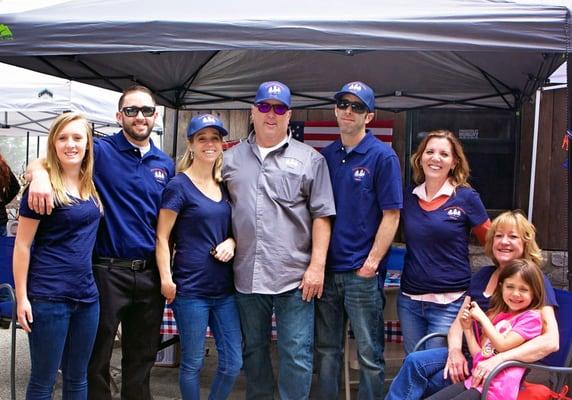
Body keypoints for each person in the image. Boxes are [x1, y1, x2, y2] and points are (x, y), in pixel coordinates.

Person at [26, 85, 175, 400]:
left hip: (149, 275)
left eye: (146, 110)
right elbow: (57, 152)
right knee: (96, 362)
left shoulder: (166, 164)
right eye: (131, 110)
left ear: (156, 115)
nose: (139, 117)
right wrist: (38, 174)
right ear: (119, 116)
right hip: (106, 271)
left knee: (142, 358)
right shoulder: (101, 150)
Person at [222, 81, 336, 399]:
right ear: (252, 111)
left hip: (295, 277)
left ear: (289, 115)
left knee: (297, 356)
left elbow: (323, 216)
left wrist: (317, 266)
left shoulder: (311, 159)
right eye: (264, 107)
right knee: (253, 352)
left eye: (279, 108)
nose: (271, 114)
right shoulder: (229, 160)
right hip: (246, 275)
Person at [385, 210, 559, 400]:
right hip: (471, 353)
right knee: (413, 362)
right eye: (498, 236)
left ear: (525, 243)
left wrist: (498, 360)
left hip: (493, 367)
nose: (504, 241)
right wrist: (455, 351)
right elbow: (458, 324)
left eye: (513, 236)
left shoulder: (535, 281)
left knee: (429, 381)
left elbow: (551, 341)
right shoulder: (483, 275)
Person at [315, 81, 402, 399]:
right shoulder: (326, 155)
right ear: (335, 109)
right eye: (343, 104)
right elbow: (319, 215)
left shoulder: (383, 157)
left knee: (369, 355)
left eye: (357, 107)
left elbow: (392, 215)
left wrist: (371, 264)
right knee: (326, 353)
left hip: (361, 276)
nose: (348, 111)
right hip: (327, 273)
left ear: (369, 116)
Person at [13, 112, 103, 399]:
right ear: (53, 144)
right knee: (43, 380)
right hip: (48, 297)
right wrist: (22, 297)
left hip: (87, 298)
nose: (70, 144)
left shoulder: (90, 185)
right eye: (62, 138)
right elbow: (22, 245)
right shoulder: (41, 190)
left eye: (77, 138)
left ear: (88, 143)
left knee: (78, 379)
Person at [156, 114, 241, 400]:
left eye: (214, 138)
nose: (209, 144)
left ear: (221, 144)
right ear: (191, 145)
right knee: (193, 363)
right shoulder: (178, 186)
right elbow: (162, 237)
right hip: (191, 290)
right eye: (202, 138)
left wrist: (231, 241)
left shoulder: (225, 185)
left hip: (224, 290)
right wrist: (166, 278)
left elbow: (235, 229)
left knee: (232, 364)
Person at [398, 130, 490, 354]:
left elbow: (492, 241)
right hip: (410, 302)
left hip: (450, 304)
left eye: (444, 154)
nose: (435, 158)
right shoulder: (408, 196)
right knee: (415, 366)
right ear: (419, 158)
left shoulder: (466, 197)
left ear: (454, 162)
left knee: (436, 370)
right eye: (429, 152)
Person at [426, 258, 545, 400]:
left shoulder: (531, 318)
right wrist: (468, 329)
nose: (515, 294)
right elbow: (480, 356)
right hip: (477, 382)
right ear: (501, 287)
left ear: (534, 292)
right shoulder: (502, 317)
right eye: (510, 287)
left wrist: (483, 318)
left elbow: (503, 345)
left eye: (523, 289)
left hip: (495, 391)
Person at [0, 152, 20, 236]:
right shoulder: (2, 166)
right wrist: (3, 201)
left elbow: (15, 187)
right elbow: (15, 187)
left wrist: (3, 200)